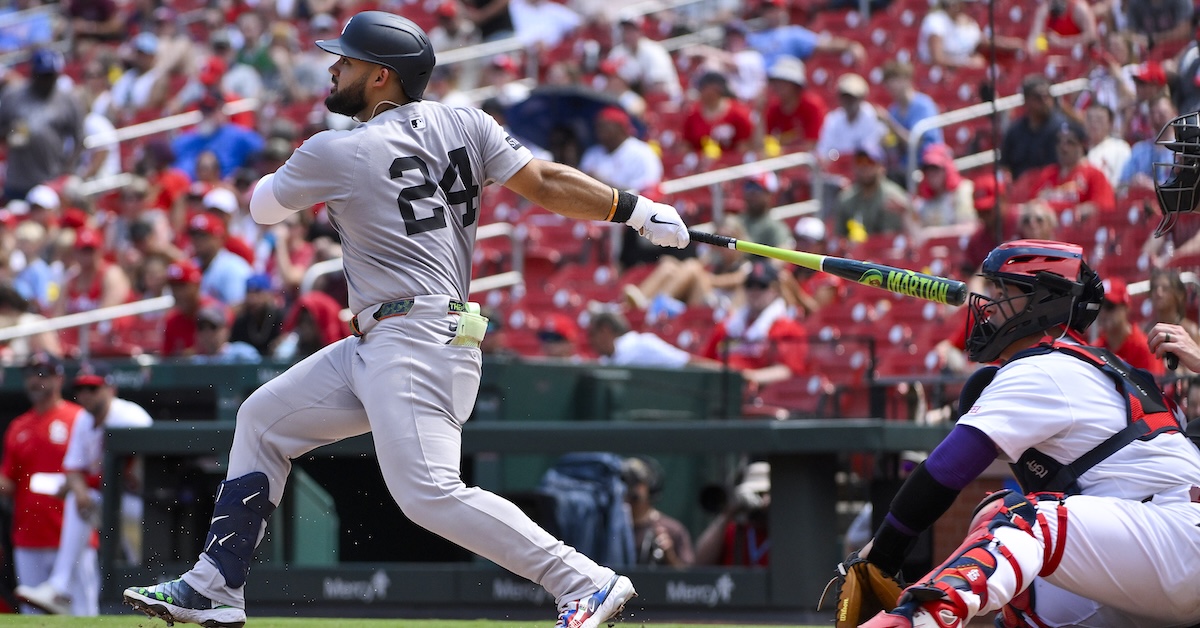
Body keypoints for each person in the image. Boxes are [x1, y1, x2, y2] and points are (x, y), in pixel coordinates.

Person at [124, 12, 690, 628]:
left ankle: (583, 581)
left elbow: (261, 207)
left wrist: (309, 168)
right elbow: (548, 182)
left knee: (427, 492)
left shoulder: (337, 148)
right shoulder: (466, 121)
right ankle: (214, 587)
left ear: (381, 77)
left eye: (346, 59)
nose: (333, 67)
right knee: (262, 419)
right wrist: (636, 210)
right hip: (396, 338)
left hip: (413, 339)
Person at [854, 240, 1200, 628]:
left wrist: (884, 553)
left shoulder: (1043, 367)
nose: (988, 304)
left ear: (1044, 301)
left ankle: (910, 622)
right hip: (1154, 553)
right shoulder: (1094, 367)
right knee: (1023, 591)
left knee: (1019, 519)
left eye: (1003, 292)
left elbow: (948, 469)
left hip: (1174, 539)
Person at [15, 362, 153, 616]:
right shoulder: (82, 420)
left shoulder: (130, 415)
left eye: (93, 388)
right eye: (81, 389)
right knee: (79, 501)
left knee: (141, 565)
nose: (86, 395)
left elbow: (156, 462)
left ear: (110, 389)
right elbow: (73, 470)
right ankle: (59, 587)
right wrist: (78, 489)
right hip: (108, 501)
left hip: (142, 503)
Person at [0, 353, 93, 615]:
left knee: (83, 614)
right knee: (34, 617)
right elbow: (8, 483)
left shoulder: (78, 418)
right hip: (29, 536)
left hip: (72, 534)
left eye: (43, 374)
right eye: (30, 375)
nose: (35, 381)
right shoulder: (18, 426)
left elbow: (96, 470)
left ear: (59, 378)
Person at [0, 48, 85, 201]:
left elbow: (79, 139)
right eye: (42, 75)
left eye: (50, 76)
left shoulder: (68, 100)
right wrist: (13, 133)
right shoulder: (13, 96)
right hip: (18, 178)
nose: (46, 80)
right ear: (33, 74)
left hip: (51, 177)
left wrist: (67, 168)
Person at [621, 456, 695, 568]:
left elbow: (688, 579)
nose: (630, 489)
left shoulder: (672, 530)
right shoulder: (611, 529)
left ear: (650, 487)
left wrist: (670, 556)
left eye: (637, 483)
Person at [695, 461, 771, 566]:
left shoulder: (785, 532)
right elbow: (700, 563)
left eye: (761, 493)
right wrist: (726, 515)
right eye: (754, 493)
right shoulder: (734, 530)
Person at [586, 309, 720, 369]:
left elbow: (685, 362)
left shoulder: (641, 344)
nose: (590, 341)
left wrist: (732, 375)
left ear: (605, 330)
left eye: (593, 334)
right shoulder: (606, 360)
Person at [833, 142, 915, 240]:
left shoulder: (895, 198)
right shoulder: (846, 199)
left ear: (881, 167)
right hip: (854, 253)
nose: (865, 166)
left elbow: (897, 238)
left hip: (886, 252)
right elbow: (839, 238)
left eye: (870, 161)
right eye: (860, 161)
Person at [1000, 74, 1069, 181]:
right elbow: (1005, 166)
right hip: (1020, 188)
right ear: (1026, 101)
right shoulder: (1015, 131)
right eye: (1038, 98)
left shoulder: (1061, 128)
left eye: (1047, 96)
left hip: (1050, 187)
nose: (1044, 101)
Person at [1095, 277, 1165, 375]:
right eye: (1099, 306)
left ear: (1126, 308)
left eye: (1109, 306)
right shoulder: (1096, 348)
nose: (1103, 313)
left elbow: (1157, 388)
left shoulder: (1144, 348)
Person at [1083, 103, 1130, 187]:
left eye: (1099, 120)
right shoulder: (1077, 149)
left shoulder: (1120, 148)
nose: (1093, 124)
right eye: (1090, 119)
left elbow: (1120, 183)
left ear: (1110, 124)